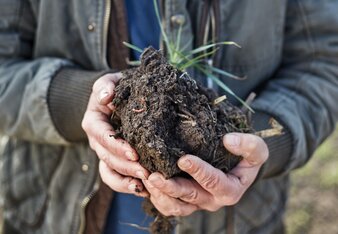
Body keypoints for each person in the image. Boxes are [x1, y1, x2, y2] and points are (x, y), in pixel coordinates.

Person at [1, 0, 338, 234]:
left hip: (240, 221)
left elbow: (323, 63)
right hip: (52, 212)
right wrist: (85, 102)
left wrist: (260, 141)